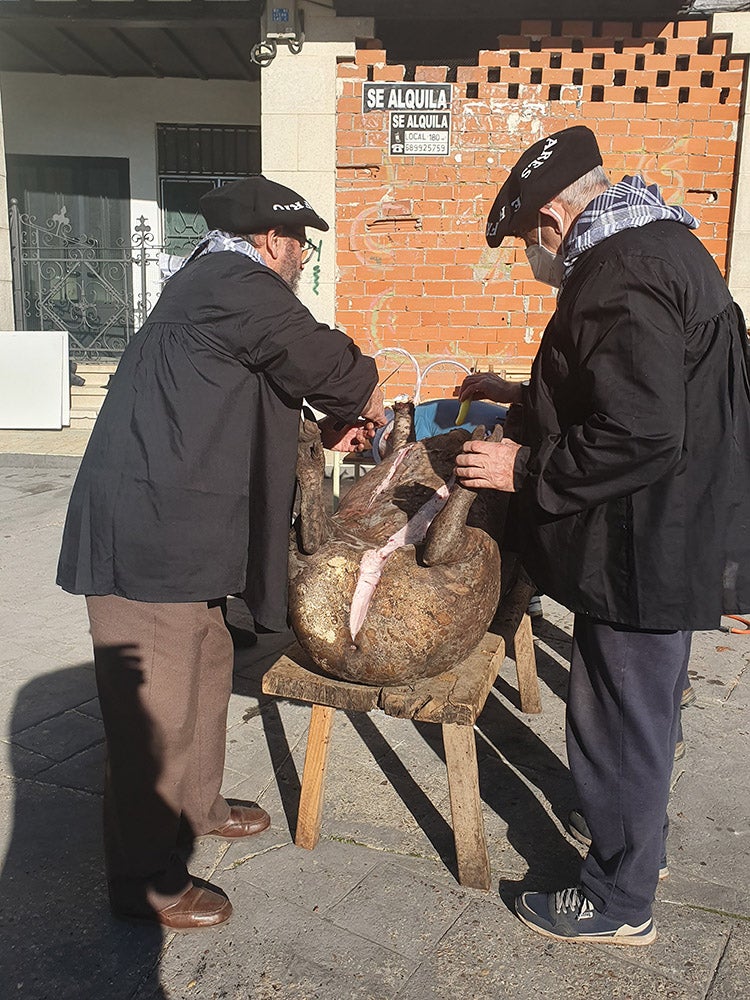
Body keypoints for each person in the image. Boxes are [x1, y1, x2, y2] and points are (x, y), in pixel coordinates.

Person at [56, 176, 385, 930]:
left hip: (183, 531)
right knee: (155, 717)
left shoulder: (215, 287)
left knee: (206, 665)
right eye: (301, 244)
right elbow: (328, 364)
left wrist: (328, 425)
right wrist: (361, 399)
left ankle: (198, 804)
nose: (304, 259)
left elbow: (259, 388)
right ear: (274, 239)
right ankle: (144, 879)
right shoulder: (236, 282)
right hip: (147, 538)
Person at [456, 125, 750, 945]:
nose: (532, 258)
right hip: (666, 534)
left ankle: (618, 901)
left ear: (555, 216)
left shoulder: (619, 274)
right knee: (643, 713)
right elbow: (624, 389)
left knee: (616, 717)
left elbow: (641, 430)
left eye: (528, 241)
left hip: (636, 547)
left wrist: (525, 469)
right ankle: (635, 844)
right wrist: (519, 393)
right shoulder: (659, 247)